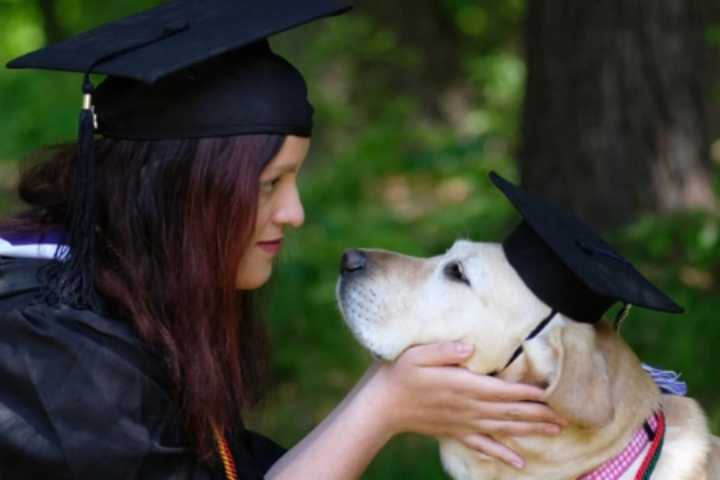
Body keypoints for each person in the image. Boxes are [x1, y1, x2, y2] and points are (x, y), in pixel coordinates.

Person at [0, 2, 567, 479]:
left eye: (293, 180)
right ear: (180, 195)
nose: (294, 213)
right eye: (269, 184)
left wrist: (388, 394)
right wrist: (382, 407)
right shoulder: (48, 351)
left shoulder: (129, 292)